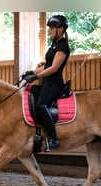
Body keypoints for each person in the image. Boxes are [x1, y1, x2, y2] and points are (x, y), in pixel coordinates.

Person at [21, 15, 70, 150]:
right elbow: (47, 65)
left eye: (52, 28)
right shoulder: (54, 45)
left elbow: (54, 68)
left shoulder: (63, 46)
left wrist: (36, 77)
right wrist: (32, 73)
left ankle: (54, 138)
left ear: (60, 29)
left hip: (54, 83)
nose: (50, 31)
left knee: (41, 105)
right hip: (47, 81)